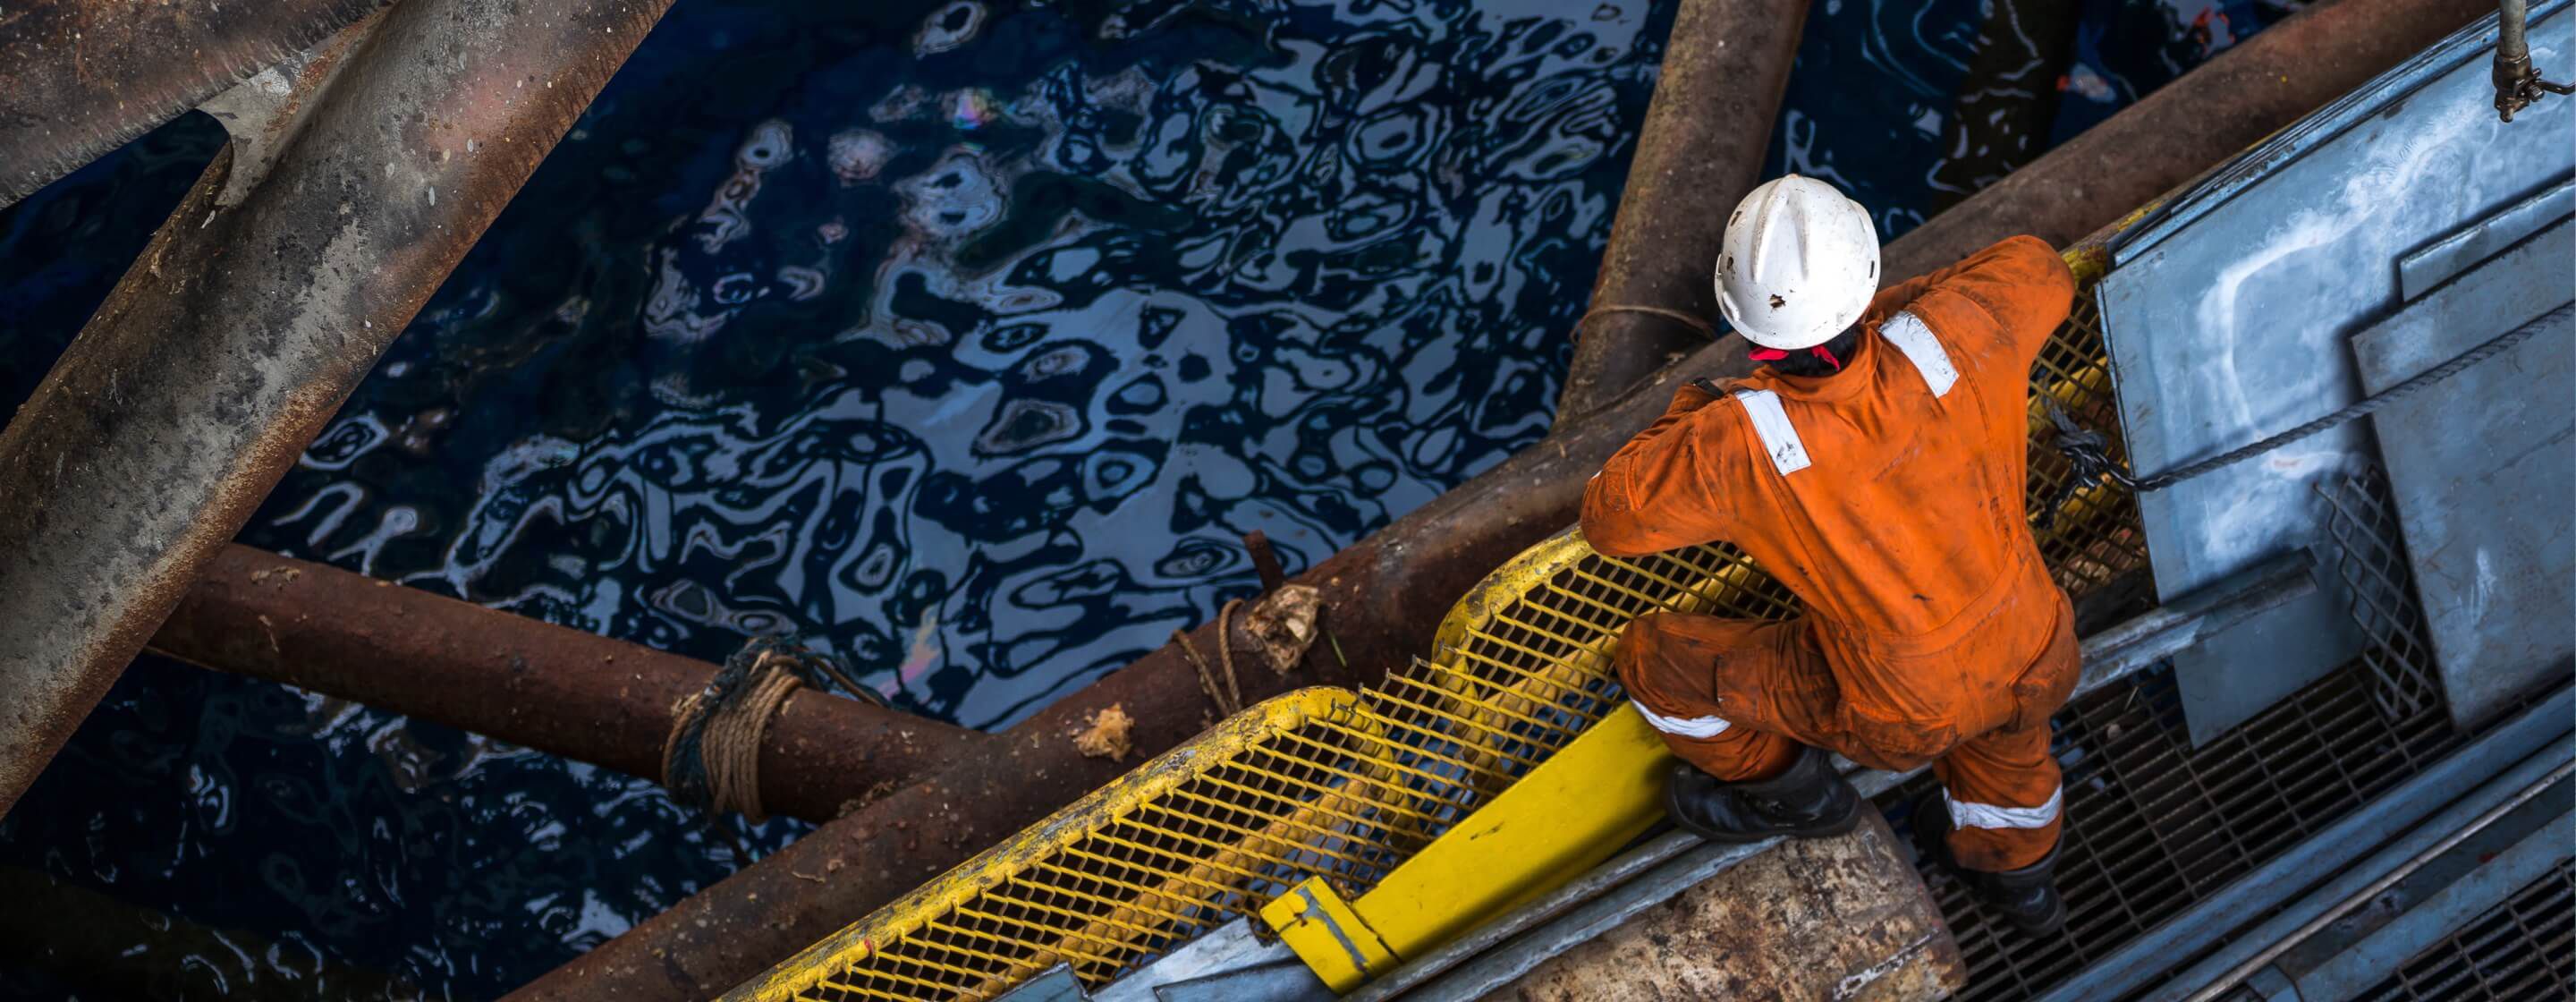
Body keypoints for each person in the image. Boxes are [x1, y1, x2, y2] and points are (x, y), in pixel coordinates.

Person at [1578, 174, 2081, 936]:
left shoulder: (1737, 442)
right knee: (2010, 753)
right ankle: (2024, 886)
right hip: (2038, 645)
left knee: (1655, 660)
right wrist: (1890, 318)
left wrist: (1707, 403)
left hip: (1900, 712)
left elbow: (1608, 520)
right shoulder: (1964, 329)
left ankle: (1795, 794)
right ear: (1865, 275)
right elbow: (2039, 265)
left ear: (1749, 333)